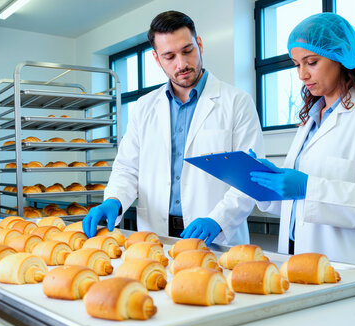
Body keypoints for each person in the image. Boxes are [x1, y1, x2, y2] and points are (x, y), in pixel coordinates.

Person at [83, 11, 264, 245]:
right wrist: (114, 200)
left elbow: (250, 176)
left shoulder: (236, 102)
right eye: (169, 56)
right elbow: (128, 168)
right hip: (157, 233)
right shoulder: (144, 106)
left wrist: (218, 220)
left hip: (216, 236)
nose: (182, 64)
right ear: (157, 59)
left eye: (187, 50)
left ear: (199, 44)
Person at [249, 13, 355, 272]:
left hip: (352, 265)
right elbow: (299, 204)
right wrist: (268, 184)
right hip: (299, 259)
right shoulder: (312, 119)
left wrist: (308, 188)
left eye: (311, 62)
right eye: (296, 64)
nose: (301, 74)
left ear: (340, 58)